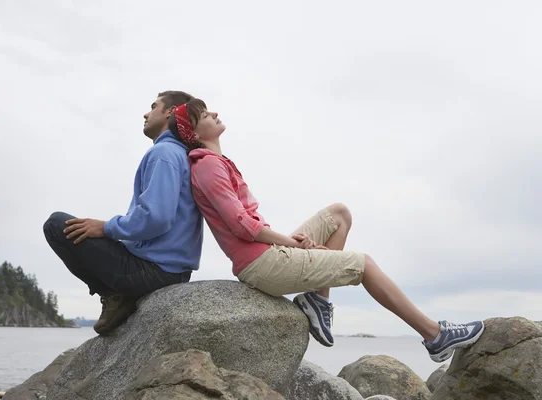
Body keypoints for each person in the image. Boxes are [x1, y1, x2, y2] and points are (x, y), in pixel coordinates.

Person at [168, 98, 484, 362]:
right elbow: (242, 225)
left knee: (339, 215)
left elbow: (247, 224)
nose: (215, 114)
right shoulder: (207, 166)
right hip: (261, 264)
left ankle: (317, 303)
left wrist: (293, 244)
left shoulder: (216, 162)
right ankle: (435, 336)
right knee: (364, 264)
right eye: (206, 114)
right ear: (194, 131)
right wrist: (293, 244)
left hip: (267, 252)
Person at [43, 91, 203, 335]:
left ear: (170, 112)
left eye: (153, 106)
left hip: (154, 271)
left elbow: (157, 217)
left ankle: (115, 295)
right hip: (173, 271)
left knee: (56, 225)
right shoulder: (182, 154)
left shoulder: (164, 154)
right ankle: (120, 295)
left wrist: (106, 227)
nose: (146, 113)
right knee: (74, 226)